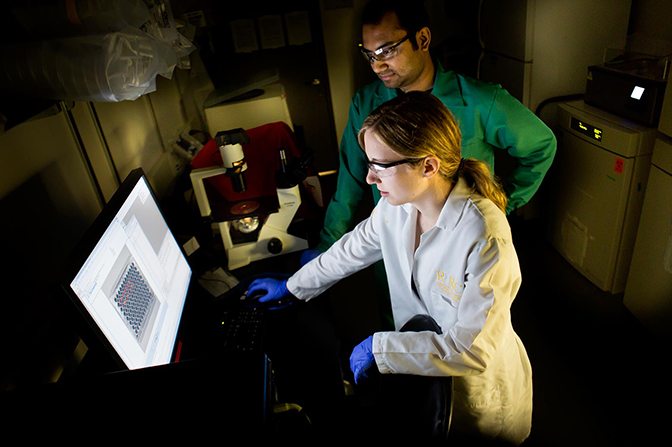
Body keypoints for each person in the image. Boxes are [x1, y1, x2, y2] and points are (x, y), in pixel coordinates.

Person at [247, 92, 533, 445]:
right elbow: (351, 250)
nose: (369, 178)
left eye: (379, 166)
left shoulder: (484, 236)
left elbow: (472, 349)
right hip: (423, 377)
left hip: (475, 396)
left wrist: (380, 348)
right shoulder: (398, 206)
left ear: (428, 166)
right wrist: (293, 286)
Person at [302, 0, 556, 266]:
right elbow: (350, 183)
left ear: (422, 39)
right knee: (398, 306)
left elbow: (542, 146)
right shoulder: (366, 103)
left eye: (387, 51)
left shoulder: (480, 101)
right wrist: (326, 247)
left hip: (460, 245)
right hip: (395, 249)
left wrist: (500, 205)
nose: (377, 66)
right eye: (370, 55)